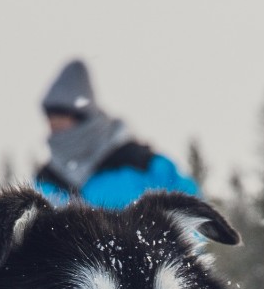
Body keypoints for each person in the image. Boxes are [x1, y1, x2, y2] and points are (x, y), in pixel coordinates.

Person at [33, 59, 201, 209]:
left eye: (61, 120)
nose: (55, 131)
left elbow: (195, 218)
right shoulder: (45, 183)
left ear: (82, 118)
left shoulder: (145, 167)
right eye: (50, 121)